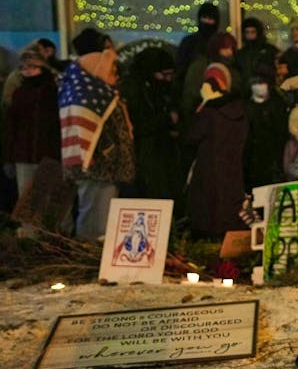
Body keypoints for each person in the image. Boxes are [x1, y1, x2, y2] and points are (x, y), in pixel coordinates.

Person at [59, 45, 135, 240]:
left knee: (105, 221)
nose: (114, 75)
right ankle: (89, 260)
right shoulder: (86, 97)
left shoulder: (102, 93)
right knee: (96, 223)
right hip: (98, 169)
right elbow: (85, 135)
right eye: (111, 70)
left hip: (109, 169)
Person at [185, 63, 248, 240]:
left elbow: (191, 136)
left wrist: (202, 106)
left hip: (209, 171)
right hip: (233, 170)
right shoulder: (240, 109)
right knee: (229, 210)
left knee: (210, 215)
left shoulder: (209, 112)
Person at [2, 45, 61, 231]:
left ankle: (48, 239)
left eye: (32, 67)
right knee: (28, 202)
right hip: (26, 154)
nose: (28, 71)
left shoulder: (52, 92)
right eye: (24, 68)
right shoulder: (20, 93)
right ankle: (31, 241)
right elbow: (11, 127)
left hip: (47, 153)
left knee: (49, 200)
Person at [118, 46, 183, 203]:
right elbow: (141, 124)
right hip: (144, 156)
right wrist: (166, 119)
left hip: (157, 152)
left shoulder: (155, 88)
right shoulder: (135, 90)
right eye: (164, 74)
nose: (168, 79)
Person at [243, 67, 290, 190]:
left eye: (262, 83)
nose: (259, 86)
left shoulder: (277, 104)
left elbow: (282, 132)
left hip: (273, 158)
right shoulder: (246, 107)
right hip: (253, 161)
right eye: (255, 83)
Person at [175, 2, 221, 86]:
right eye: (204, 18)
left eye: (210, 19)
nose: (207, 22)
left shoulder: (221, 42)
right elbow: (181, 69)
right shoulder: (189, 43)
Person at [235, 17, 279, 97]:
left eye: (253, 32)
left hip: (267, 92)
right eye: (247, 32)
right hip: (246, 93)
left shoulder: (269, 50)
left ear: (258, 32)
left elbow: (277, 71)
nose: (250, 35)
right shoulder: (241, 54)